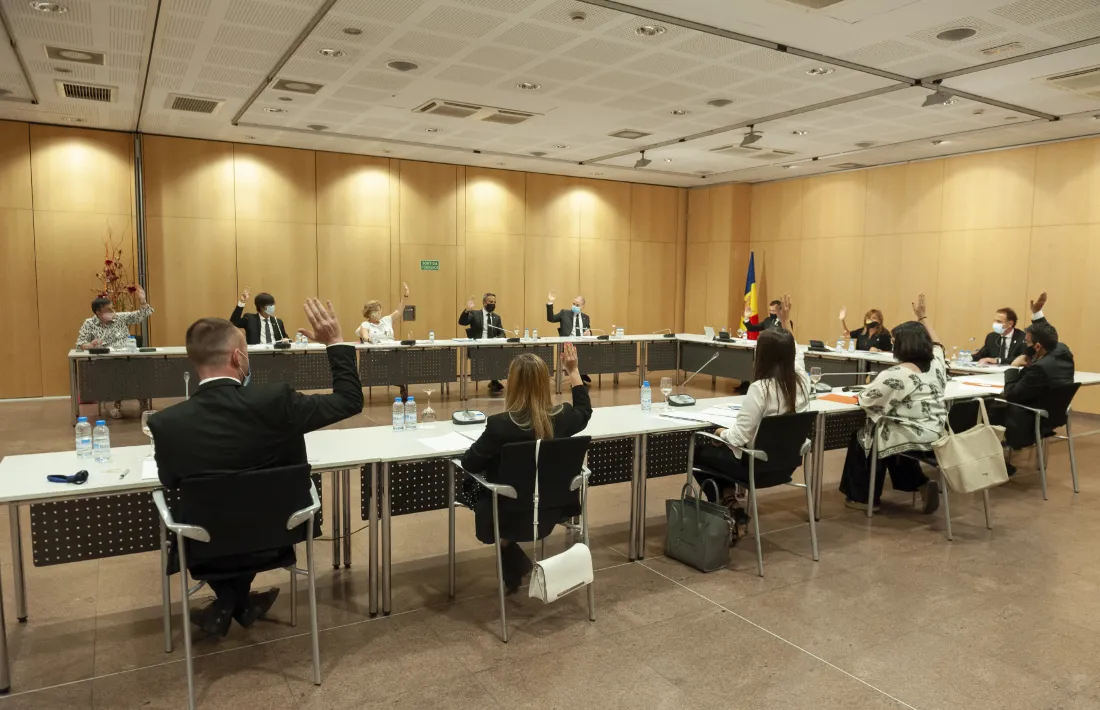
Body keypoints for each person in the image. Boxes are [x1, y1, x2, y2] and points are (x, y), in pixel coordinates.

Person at [148, 299, 363, 637]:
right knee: (246, 511)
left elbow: (169, 480)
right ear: (237, 356)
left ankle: (226, 602)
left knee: (223, 514)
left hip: (206, 546)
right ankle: (238, 602)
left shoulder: (167, 424)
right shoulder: (276, 403)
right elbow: (349, 401)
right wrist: (335, 343)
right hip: (277, 536)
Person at [460, 342, 591, 593]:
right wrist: (573, 371)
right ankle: (513, 561)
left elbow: (469, 463)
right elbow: (584, 411)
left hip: (506, 515)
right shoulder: (563, 417)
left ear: (513, 384)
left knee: (473, 486)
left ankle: (510, 551)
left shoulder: (500, 425)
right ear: (546, 383)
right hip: (553, 510)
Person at [695, 295, 808, 512]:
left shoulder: (760, 389)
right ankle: (729, 501)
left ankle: (728, 507)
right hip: (786, 466)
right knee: (716, 453)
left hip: (754, 467)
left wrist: (719, 432)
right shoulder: (802, 382)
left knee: (700, 452)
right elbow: (798, 355)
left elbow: (739, 437)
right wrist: (786, 322)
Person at [838, 295, 946, 513]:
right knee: (892, 435)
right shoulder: (936, 365)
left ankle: (863, 498)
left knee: (865, 437)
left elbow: (867, 401)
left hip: (913, 434)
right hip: (936, 431)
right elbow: (938, 344)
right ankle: (920, 483)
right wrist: (923, 317)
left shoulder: (897, 374)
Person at [1001, 316, 1075, 471]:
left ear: (1038, 346)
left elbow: (1011, 395)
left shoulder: (1038, 369)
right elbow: (1050, 335)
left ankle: (995, 464)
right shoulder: (1064, 352)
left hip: (1028, 422)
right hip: (1052, 417)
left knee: (981, 411)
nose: (1025, 347)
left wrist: (1013, 367)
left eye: (1028, 343)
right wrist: (1037, 315)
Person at [75, 285, 154, 419]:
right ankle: (116, 405)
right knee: (118, 371)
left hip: (128, 357)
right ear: (98, 313)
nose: (113, 311)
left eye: (113, 308)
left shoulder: (120, 318)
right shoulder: (89, 324)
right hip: (106, 362)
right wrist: (91, 345)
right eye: (109, 310)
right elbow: (80, 344)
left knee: (141, 367)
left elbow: (142, 315)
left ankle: (143, 403)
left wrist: (142, 301)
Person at [460, 292, 505, 393]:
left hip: (492, 347)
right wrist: (467, 310)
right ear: (484, 303)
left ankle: (495, 380)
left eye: (494, 302)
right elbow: (462, 322)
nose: (492, 304)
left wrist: (498, 338)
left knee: (501, 354)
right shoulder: (475, 314)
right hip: (477, 347)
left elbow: (501, 332)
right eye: (490, 302)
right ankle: (494, 380)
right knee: (493, 355)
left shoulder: (496, 317)